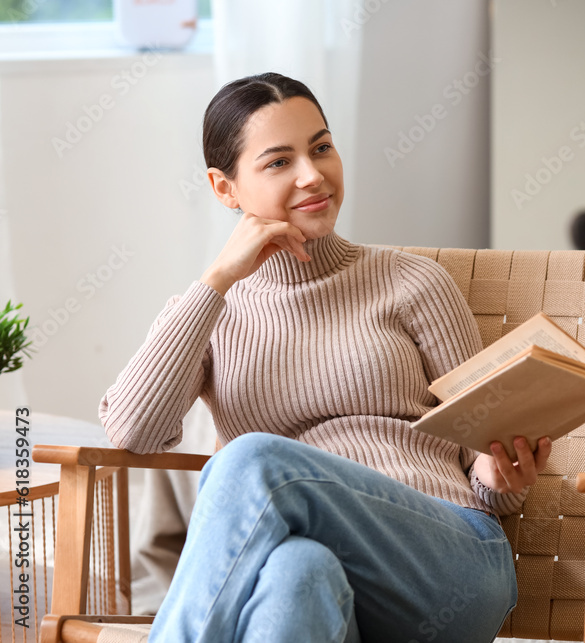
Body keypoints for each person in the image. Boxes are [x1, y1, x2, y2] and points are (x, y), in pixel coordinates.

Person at [98, 72, 552, 643]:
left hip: (451, 565)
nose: (313, 176)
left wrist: (501, 472)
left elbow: (489, 477)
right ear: (224, 188)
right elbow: (132, 432)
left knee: (252, 462)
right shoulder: (211, 310)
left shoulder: (411, 283)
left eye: (321, 148)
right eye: (278, 162)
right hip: (334, 582)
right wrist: (217, 280)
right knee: (296, 574)